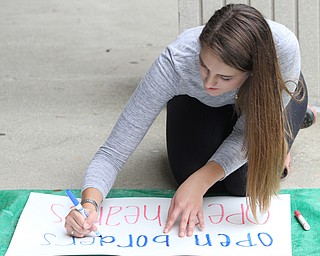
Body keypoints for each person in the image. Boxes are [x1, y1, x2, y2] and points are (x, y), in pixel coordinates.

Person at [65, 3, 309, 238]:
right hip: (203, 106)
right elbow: (113, 151)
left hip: (265, 102)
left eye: (224, 77)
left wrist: (203, 179)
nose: (209, 83)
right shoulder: (176, 61)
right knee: (186, 174)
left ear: (251, 71)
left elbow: (245, 134)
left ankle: (283, 138)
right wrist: (88, 205)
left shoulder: (283, 50)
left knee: (241, 184)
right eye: (203, 65)